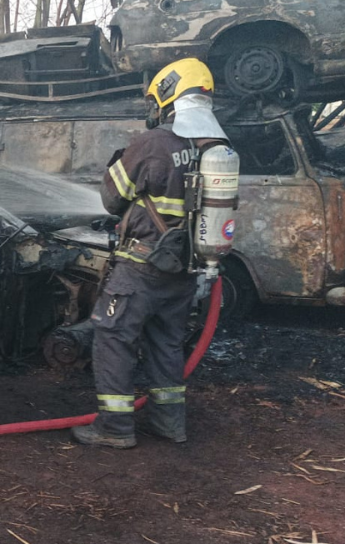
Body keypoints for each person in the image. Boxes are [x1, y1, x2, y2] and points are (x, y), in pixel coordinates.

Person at [71, 57, 232, 449]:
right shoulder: (217, 147)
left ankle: (115, 427)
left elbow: (112, 199)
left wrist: (118, 164)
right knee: (166, 343)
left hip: (141, 266)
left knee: (112, 337)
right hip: (185, 270)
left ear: (169, 96)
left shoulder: (154, 142)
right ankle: (168, 424)